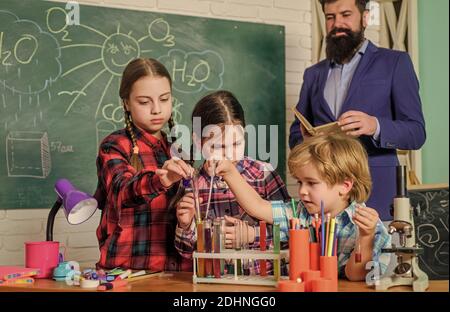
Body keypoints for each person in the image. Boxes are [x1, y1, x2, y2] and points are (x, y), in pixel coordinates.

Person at [289, 0, 426, 220]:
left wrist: (375, 126)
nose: (337, 23)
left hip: (379, 199)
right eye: (330, 17)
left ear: (365, 17)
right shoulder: (313, 74)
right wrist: (306, 141)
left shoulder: (395, 63)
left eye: (345, 14)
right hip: (326, 206)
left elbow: (416, 132)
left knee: (380, 256)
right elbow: (296, 132)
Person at [223, 133, 391, 281]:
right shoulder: (299, 213)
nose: (302, 191)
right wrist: (230, 172)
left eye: (311, 183)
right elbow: (257, 206)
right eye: (300, 182)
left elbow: (356, 275)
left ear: (345, 186)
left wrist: (365, 237)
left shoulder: (366, 226)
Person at [174, 90, 290, 274]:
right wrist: (185, 226)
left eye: (236, 144)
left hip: (267, 281)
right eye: (218, 147)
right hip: (215, 282)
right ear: (198, 142)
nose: (229, 155)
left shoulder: (264, 174)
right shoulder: (192, 184)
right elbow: (186, 252)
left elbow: (293, 231)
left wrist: (253, 235)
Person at [94, 58, 193, 271]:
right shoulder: (115, 145)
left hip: (178, 273)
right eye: (144, 101)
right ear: (127, 103)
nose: (156, 109)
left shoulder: (181, 150)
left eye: (164, 99)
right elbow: (121, 190)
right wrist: (160, 180)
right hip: (128, 273)